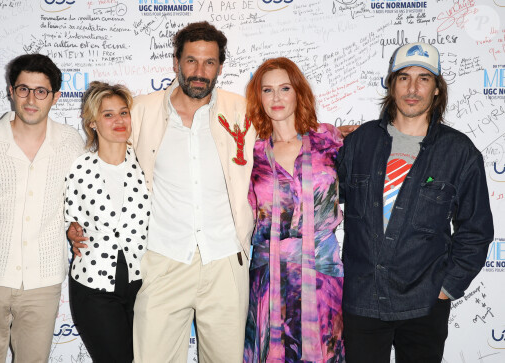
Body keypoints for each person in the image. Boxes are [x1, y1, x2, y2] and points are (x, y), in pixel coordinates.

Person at [69, 21, 255, 362]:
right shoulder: (140, 111)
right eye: (191, 61)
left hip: (225, 260)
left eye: (209, 62)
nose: (199, 71)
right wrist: (72, 219)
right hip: (162, 260)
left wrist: (336, 136)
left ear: (220, 67)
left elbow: (288, 132)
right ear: (176, 62)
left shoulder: (243, 110)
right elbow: (100, 156)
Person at [337, 42, 494, 362]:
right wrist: (320, 141)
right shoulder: (359, 143)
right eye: (404, 77)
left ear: (437, 88)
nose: (412, 88)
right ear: (391, 84)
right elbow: (322, 203)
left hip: (425, 305)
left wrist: (446, 288)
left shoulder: (460, 153)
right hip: (363, 301)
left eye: (424, 78)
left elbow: (476, 230)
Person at [0, 54, 84, 363]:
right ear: (11, 92)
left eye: (41, 91)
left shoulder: (72, 143)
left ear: (56, 96)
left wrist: (76, 229)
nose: (31, 99)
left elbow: (81, 204)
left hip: (42, 282)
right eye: (23, 89)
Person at [243, 57, 345, 363]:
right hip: (269, 277)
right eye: (268, 90)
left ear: (297, 92)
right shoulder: (251, 154)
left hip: (323, 275)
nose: (276, 97)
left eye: (284, 88)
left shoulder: (328, 141)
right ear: (258, 97)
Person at [64, 81, 150, 363]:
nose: (119, 121)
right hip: (93, 285)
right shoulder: (76, 168)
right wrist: (69, 229)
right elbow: (61, 215)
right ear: (92, 123)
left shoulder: (147, 164)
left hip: (146, 284)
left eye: (123, 113)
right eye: (108, 114)